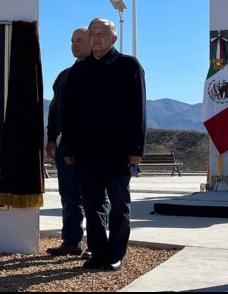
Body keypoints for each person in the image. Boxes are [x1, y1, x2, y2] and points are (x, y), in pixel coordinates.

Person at [61, 17, 146, 272]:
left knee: (120, 205)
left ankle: (115, 255)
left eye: (102, 33)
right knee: (92, 205)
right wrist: (68, 148)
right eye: (93, 33)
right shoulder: (78, 70)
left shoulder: (129, 66)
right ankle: (98, 253)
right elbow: (69, 113)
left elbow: (138, 109)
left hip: (118, 152)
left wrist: (136, 149)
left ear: (114, 38)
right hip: (86, 152)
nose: (96, 38)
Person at [45, 27, 90, 257]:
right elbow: (55, 110)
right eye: (72, 40)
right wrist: (51, 137)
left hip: (93, 147)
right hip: (65, 145)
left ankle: (96, 244)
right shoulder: (64, 76)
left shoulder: (101, 73)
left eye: (79, 40)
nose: (74, 44)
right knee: (69, 195)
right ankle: (71, 241)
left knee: (95, 197)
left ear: (93, 41)